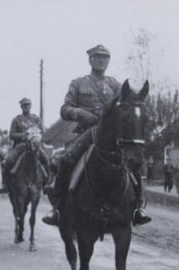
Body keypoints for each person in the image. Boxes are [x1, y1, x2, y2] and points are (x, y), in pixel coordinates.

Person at [43, 44, 151, 226]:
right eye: (98, 57)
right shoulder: (78, 83)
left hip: (111, 136)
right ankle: (57, 208)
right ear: (90, 60)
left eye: (105, 58)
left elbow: (127, 109)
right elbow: (65, 109)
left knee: (133, 160)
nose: (101, 61)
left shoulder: (116, 85)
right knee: (67, 159)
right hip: (85, 133)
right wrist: (79, 113)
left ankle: (137, 207)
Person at [0, 98, 48, 193]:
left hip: (35, 145)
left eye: (28, 105)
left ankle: (47, 184)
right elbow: (11, 135)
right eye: (24, 105)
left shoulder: (36, 119)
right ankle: (4, 184)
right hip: (21, 145)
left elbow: (42, 132)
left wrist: (37, 136)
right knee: (9, 160)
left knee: (46, 159)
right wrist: (24, 135)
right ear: (21, 106)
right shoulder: (17, 119)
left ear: (30, 106)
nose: (26, 107)